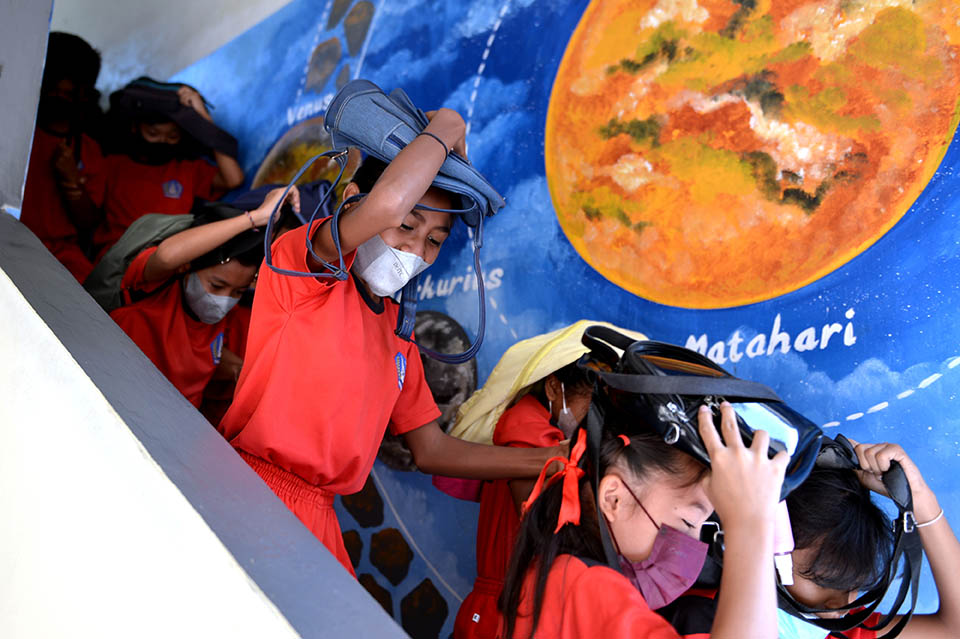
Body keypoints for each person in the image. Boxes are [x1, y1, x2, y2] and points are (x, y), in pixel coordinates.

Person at [217, 107, 566, 577]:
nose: (416, 251)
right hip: (251, 491)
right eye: (408, 226)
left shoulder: (397, 333)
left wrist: (551, 459)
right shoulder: (305, 264)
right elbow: (385, 205)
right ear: (354, 199)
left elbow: (432, 451)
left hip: (318, 516)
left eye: (434, 240)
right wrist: (449, 124)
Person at [498, 399, 788, 639]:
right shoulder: (588, 589)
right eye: (688, 522)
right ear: (614, 498)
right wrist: (750, 526)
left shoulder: (558, 572)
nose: (694, 543)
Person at [450, 321, 645, 639]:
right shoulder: (525, 423)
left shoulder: (547, 428)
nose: (596, 421)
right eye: (591, 407)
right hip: (501, 613)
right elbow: (544, 523)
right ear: (554, 387)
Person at [659, 440, 960, 639]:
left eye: (853, 584)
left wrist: (921, 502)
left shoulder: (835, 626)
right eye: (824, 579)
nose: (842, 604)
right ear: (771, 546)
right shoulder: (697, 620)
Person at [111, 187, 297, 408]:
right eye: (217, 285)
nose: (224, 301)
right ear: (187, 266)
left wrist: (241, 371)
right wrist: (256, 218)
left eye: (237, 292)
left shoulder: (220, 320)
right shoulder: (154, 285)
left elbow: (204, 353)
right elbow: (166, 256)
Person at [88, 79, 245, 256]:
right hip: (117, 259)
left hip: (168, 259)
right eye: (153, 134)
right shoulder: (112, 165)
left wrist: (204, 121)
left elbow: (234, 179)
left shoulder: (188, 169)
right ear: (135, 128)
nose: (162, 141)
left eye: (172, 136)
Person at [20, 32, 103, 282]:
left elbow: (88, 222)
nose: (59, 96)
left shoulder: (88, 150)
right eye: (53, 88)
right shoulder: (16, 132)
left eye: (68, 92)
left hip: (59, 254)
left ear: (84, 94)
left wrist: (71, 182)